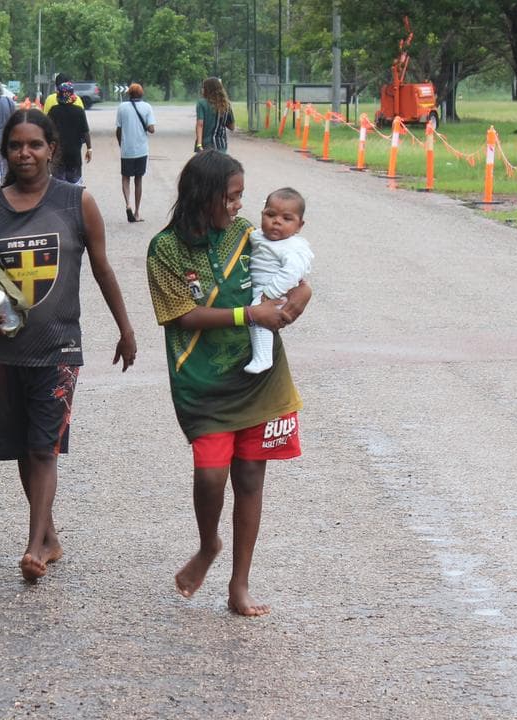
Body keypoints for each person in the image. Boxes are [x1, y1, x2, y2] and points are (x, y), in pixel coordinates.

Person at [0, 109, 137, 581]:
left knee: (44, 448)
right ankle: (51, 535)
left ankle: (33, 546)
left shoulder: (75, 203)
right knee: (24, 448)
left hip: (58, 348)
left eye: (35, 144)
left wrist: (126, 329)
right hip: (4, 350)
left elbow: (102, 268)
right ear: (5, 151)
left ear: (51, 149)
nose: (26, 153)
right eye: (16, 145)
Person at [145, 150, 312, 616]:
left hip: (260, 378)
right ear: (206, 197)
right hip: (202, 383)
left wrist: (303, 293)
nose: (241, 206)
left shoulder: (246, 236)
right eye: (234, 197)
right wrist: (248, 313)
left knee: (252, 477)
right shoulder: (165, 250)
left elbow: (291, 268)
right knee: (210, 475)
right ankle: (207, 544)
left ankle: (239, 586)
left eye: (242, 196)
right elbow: (182, 314)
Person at [245, 188, 313, 374]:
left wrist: (270, 293)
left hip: (275, 292)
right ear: (262, 215)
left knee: (257, 316)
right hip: (260, 288)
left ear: (299, 225)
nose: (276, 221)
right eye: (270, 215)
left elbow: (292, 273)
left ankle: (263, 357)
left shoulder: (293, 246)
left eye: (287, 218)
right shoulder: (256, 235)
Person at [115, 82, 156, 223]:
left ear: (129, 94)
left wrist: (121, 145)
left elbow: (118, 129)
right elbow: (151, 129)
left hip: (127, 149)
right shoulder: (147, 107)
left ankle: (128, 204)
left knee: (125, 178)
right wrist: (148, 126)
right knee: (138, 180)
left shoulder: (122, 107)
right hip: (141, 149)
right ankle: (137, 212)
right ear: (141, 93)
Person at [47, 82, 91, 185]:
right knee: (74, 184)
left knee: (58, 183)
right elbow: (85, 131)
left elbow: (47, 129)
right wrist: (89, 148)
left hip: (58, 154)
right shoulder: (79, 111)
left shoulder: (53, 111)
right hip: (74, 153)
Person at [195, 77, 236, 153]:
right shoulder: (226, 104)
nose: (202, 90)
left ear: (208, 89)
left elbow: (200, 124)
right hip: (221, 145)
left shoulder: (202, 103)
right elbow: (232, 127)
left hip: (206, 145)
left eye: (203, 87)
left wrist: (199, 144)